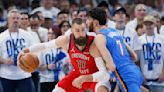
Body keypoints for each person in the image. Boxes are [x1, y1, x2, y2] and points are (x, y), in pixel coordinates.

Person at [18, 18, 110, 92]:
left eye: (83, 30)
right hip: (77, 74)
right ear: (72, 31)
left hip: (95, 75)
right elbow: (45, 46)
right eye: (77, 31)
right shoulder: (66, 40)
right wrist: (27, 50)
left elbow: (105, 74)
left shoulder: (93, 43)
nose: (81, 34)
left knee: (102, 90)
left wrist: (84, 78)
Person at [86, 7, 144, 92]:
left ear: (95, 23)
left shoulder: (99, 37)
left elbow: (111, 66)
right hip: (135, 71)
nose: (86, 22)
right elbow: (134, 56)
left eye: (88, 19)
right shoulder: (114, 31)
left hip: (125, 75)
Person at [0, 9, 35, 92]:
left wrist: (26, 59)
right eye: (13, 18)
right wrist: (4, 61)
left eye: (17, 18)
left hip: (24, 74)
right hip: (6, 75)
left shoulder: (27, 35)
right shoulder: (1, 36)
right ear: (8, 20)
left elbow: (33, 52)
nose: (15, 20)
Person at [138, 15, 164, 92]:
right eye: (146, 24)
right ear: (143, 25)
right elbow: (136, 60)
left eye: (151, 24)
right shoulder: (139, 40)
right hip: (145, 80)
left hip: (160, 81)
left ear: (155, 24)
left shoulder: (162, 39)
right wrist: (140, 74)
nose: (148, 26)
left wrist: (163, 73)